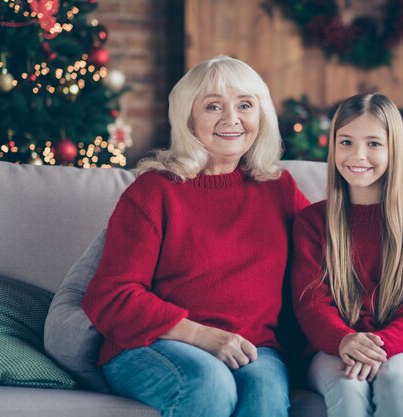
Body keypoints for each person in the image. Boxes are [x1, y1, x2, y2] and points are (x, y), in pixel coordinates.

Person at [81, 55, 309, 417]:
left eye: (245, 105)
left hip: (254, 346)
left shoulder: (279, 189)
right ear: (188, 118)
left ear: (260, 116)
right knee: (209, 383)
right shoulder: (155, 192)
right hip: (155, 343)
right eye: (213, 106)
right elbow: (110, 296)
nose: (231, 118)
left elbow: (331, 255)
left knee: (265, 393)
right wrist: (203, 336)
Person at [291, 93, 403, 417]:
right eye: (346, 142)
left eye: (374, 144)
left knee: (394, 381)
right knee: (349, 388)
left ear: (394, 150)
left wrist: (379, 348)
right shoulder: (311, 223)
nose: (357, 155)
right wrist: (344, 341)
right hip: (331, 346)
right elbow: (310, 303)